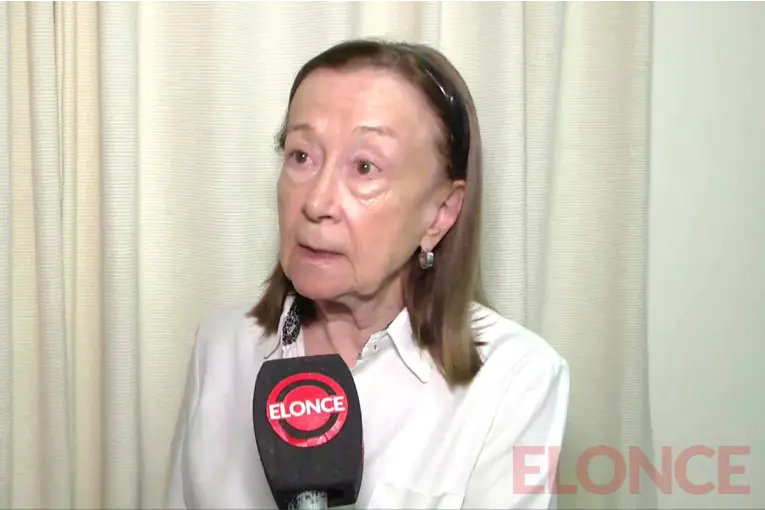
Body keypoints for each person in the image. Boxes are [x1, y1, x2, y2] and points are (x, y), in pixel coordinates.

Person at [166, 39, 570, 509]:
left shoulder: (515, 380)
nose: (316, 203)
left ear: (441, 212)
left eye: (364, 167)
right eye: (301, 156)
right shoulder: (221, 345)